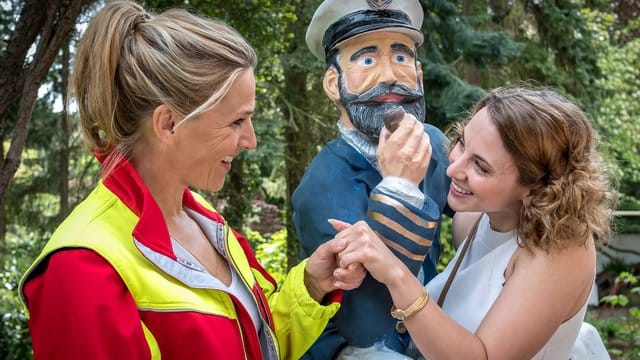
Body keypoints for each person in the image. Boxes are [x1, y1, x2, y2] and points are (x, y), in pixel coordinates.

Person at [18, 1, 365, 359]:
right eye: (236, 122)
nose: (250, 141)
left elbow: (257, 344)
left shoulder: (205, 221)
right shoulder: (83, 269)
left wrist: (311, 284)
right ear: (168, 124)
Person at [333, 87, 614, 359]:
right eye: (463, 143)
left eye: (480, 166)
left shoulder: (561, 249)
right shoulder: (480, 216)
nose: (453, 168)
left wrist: (394, 274)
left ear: (536, 188)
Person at [292, 0, 453, 358]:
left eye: (401, 58)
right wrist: (400, 189)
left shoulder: (433, 143)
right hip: (359, 346)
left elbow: (475, 208)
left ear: (419, 72)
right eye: (367, 60)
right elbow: (368, 323)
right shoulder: (324, 184)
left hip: (429, 329)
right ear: (334, 84)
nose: (390, 76)